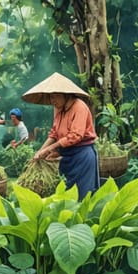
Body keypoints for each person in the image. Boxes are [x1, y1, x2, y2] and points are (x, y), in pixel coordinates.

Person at [24, 72, 99, 200]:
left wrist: (50, 148)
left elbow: (75, 135)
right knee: (66, 194)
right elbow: (54, 133)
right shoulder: (58, 109)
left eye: (56, 96)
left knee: (82, 195)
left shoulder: (79, 107)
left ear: (66, 95)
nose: (52, 101)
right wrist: (40, 151)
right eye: (51, 97)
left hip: (82, 156)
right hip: (67, 156)